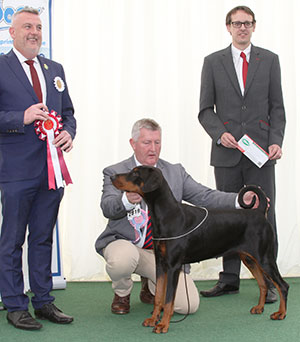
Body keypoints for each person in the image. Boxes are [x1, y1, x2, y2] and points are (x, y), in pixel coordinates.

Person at [95, 118, 259, 315]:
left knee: (188, 306)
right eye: (147, 142)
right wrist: (127, 200)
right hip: (129, 246)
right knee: (122, 259)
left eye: (157, 142)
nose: (153, 148)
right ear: (133, 143)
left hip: (165, 253)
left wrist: (240, 199)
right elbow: (107, 207)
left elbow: (205, 196)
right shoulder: (115, 172)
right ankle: (122, 293)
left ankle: (151, 285)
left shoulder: (175, 172)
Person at [198, 5, 285, 302]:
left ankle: (270, 280)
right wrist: (218, 133)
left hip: (261, 153)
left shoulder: (270, 60)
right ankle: (229, 279)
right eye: (237, 23)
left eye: (247, 23)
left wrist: (276, 141)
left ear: (254, 26)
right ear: (228, 27)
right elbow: (204, 110)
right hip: (227, 154)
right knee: (226, 217)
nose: (242, 28)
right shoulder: (212, 62)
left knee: (263, 217)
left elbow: (277, 107)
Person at [0, 7, 76, 330]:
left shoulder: (54, 68)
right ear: (12, 33)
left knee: (43, 237)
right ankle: (15, 304)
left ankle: (43, 300)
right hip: (16, 170)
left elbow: (69, 112)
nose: (34, 32)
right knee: (13, 239)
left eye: (38, 27)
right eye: (27, 26)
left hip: (52, 170)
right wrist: (22, 117)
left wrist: (68, 133)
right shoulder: (1, 68)